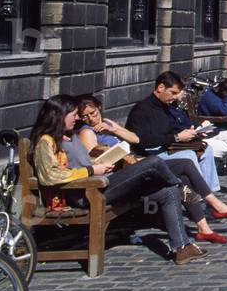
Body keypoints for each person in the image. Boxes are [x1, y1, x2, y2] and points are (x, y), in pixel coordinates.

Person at [32, 95, 207, 265]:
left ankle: (182, 248)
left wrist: (100, 163)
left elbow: (81, 163)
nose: (77, 118)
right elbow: (50, 176)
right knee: (153, 162)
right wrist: (92, 170)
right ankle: (181, 187)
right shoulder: (46, 142)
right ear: (60, 115)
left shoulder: (70, 136)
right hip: (87, 193)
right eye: (74, 114)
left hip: (101, 183)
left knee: (168, 192)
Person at [75, 96, 227, 244]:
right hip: (121, 175)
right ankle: (215, 206)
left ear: (99, 108)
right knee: (184, 167)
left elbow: (135, 139)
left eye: (94, 113)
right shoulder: (87, 132)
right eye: (85, 116)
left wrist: (114, 129)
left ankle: (204, 228)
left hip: (133, 165)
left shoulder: (108, 124)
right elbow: (96, 160)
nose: (91, 119)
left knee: (183, 175)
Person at [127, 71, 227, 200]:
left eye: (178, 93)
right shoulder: (145, 109)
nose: (177, 97)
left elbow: (182, 121)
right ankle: (214, 196)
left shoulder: (168, 105)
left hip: (191, 136)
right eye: (174, 93)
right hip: (177, 143)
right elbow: (152, 137)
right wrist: (180, 135)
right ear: (160, 88)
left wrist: (197, 127)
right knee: (226, 148)